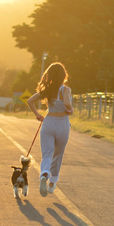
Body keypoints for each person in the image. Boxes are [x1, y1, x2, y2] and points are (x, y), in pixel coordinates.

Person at [27, 62, 73, 197]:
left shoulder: (47, 89)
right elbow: (66, 103)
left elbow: (30, 101)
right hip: (62, 124)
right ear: (64, 75)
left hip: (48, 122)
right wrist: (70, 109)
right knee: (58, 154)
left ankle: (44, 174)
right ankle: (52, 181)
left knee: (47, 154)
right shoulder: (65, 90)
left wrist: (37, 115)